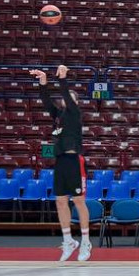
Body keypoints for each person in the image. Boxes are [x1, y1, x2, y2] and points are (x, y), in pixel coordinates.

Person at [29, 65, 92, 262]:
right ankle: (68, 241)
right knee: (60, 201)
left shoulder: (75, 113)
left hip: (75, 161)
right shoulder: (58, 116)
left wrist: (63, 79)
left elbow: (65, 95)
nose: (65, 99)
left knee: (78, 201)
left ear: (75, 102)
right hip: (61, 161)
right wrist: (43, 81)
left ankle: (85, 242)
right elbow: (46, 101)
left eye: (69, 96)